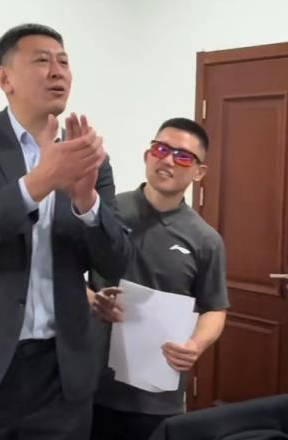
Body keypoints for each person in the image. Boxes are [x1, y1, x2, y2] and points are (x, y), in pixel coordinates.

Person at [0, 23, 130, 440]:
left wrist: (87, 202)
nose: (58, 71)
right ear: (5, 78)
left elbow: (116, 259)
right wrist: (39, 182)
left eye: (64, 61)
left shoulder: (87, 157)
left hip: (60, 375)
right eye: (42, 61)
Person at [88, 118, 229, 440]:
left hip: (156, 395)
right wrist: (93, 300)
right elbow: (65, 275)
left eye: (183, 156)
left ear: (199, 172)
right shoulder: (106, 211)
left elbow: (215, 308)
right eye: (161, 149)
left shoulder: (205, 240)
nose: (168, 160)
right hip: (90, 384)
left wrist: (196, 345)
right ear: (147, 154)